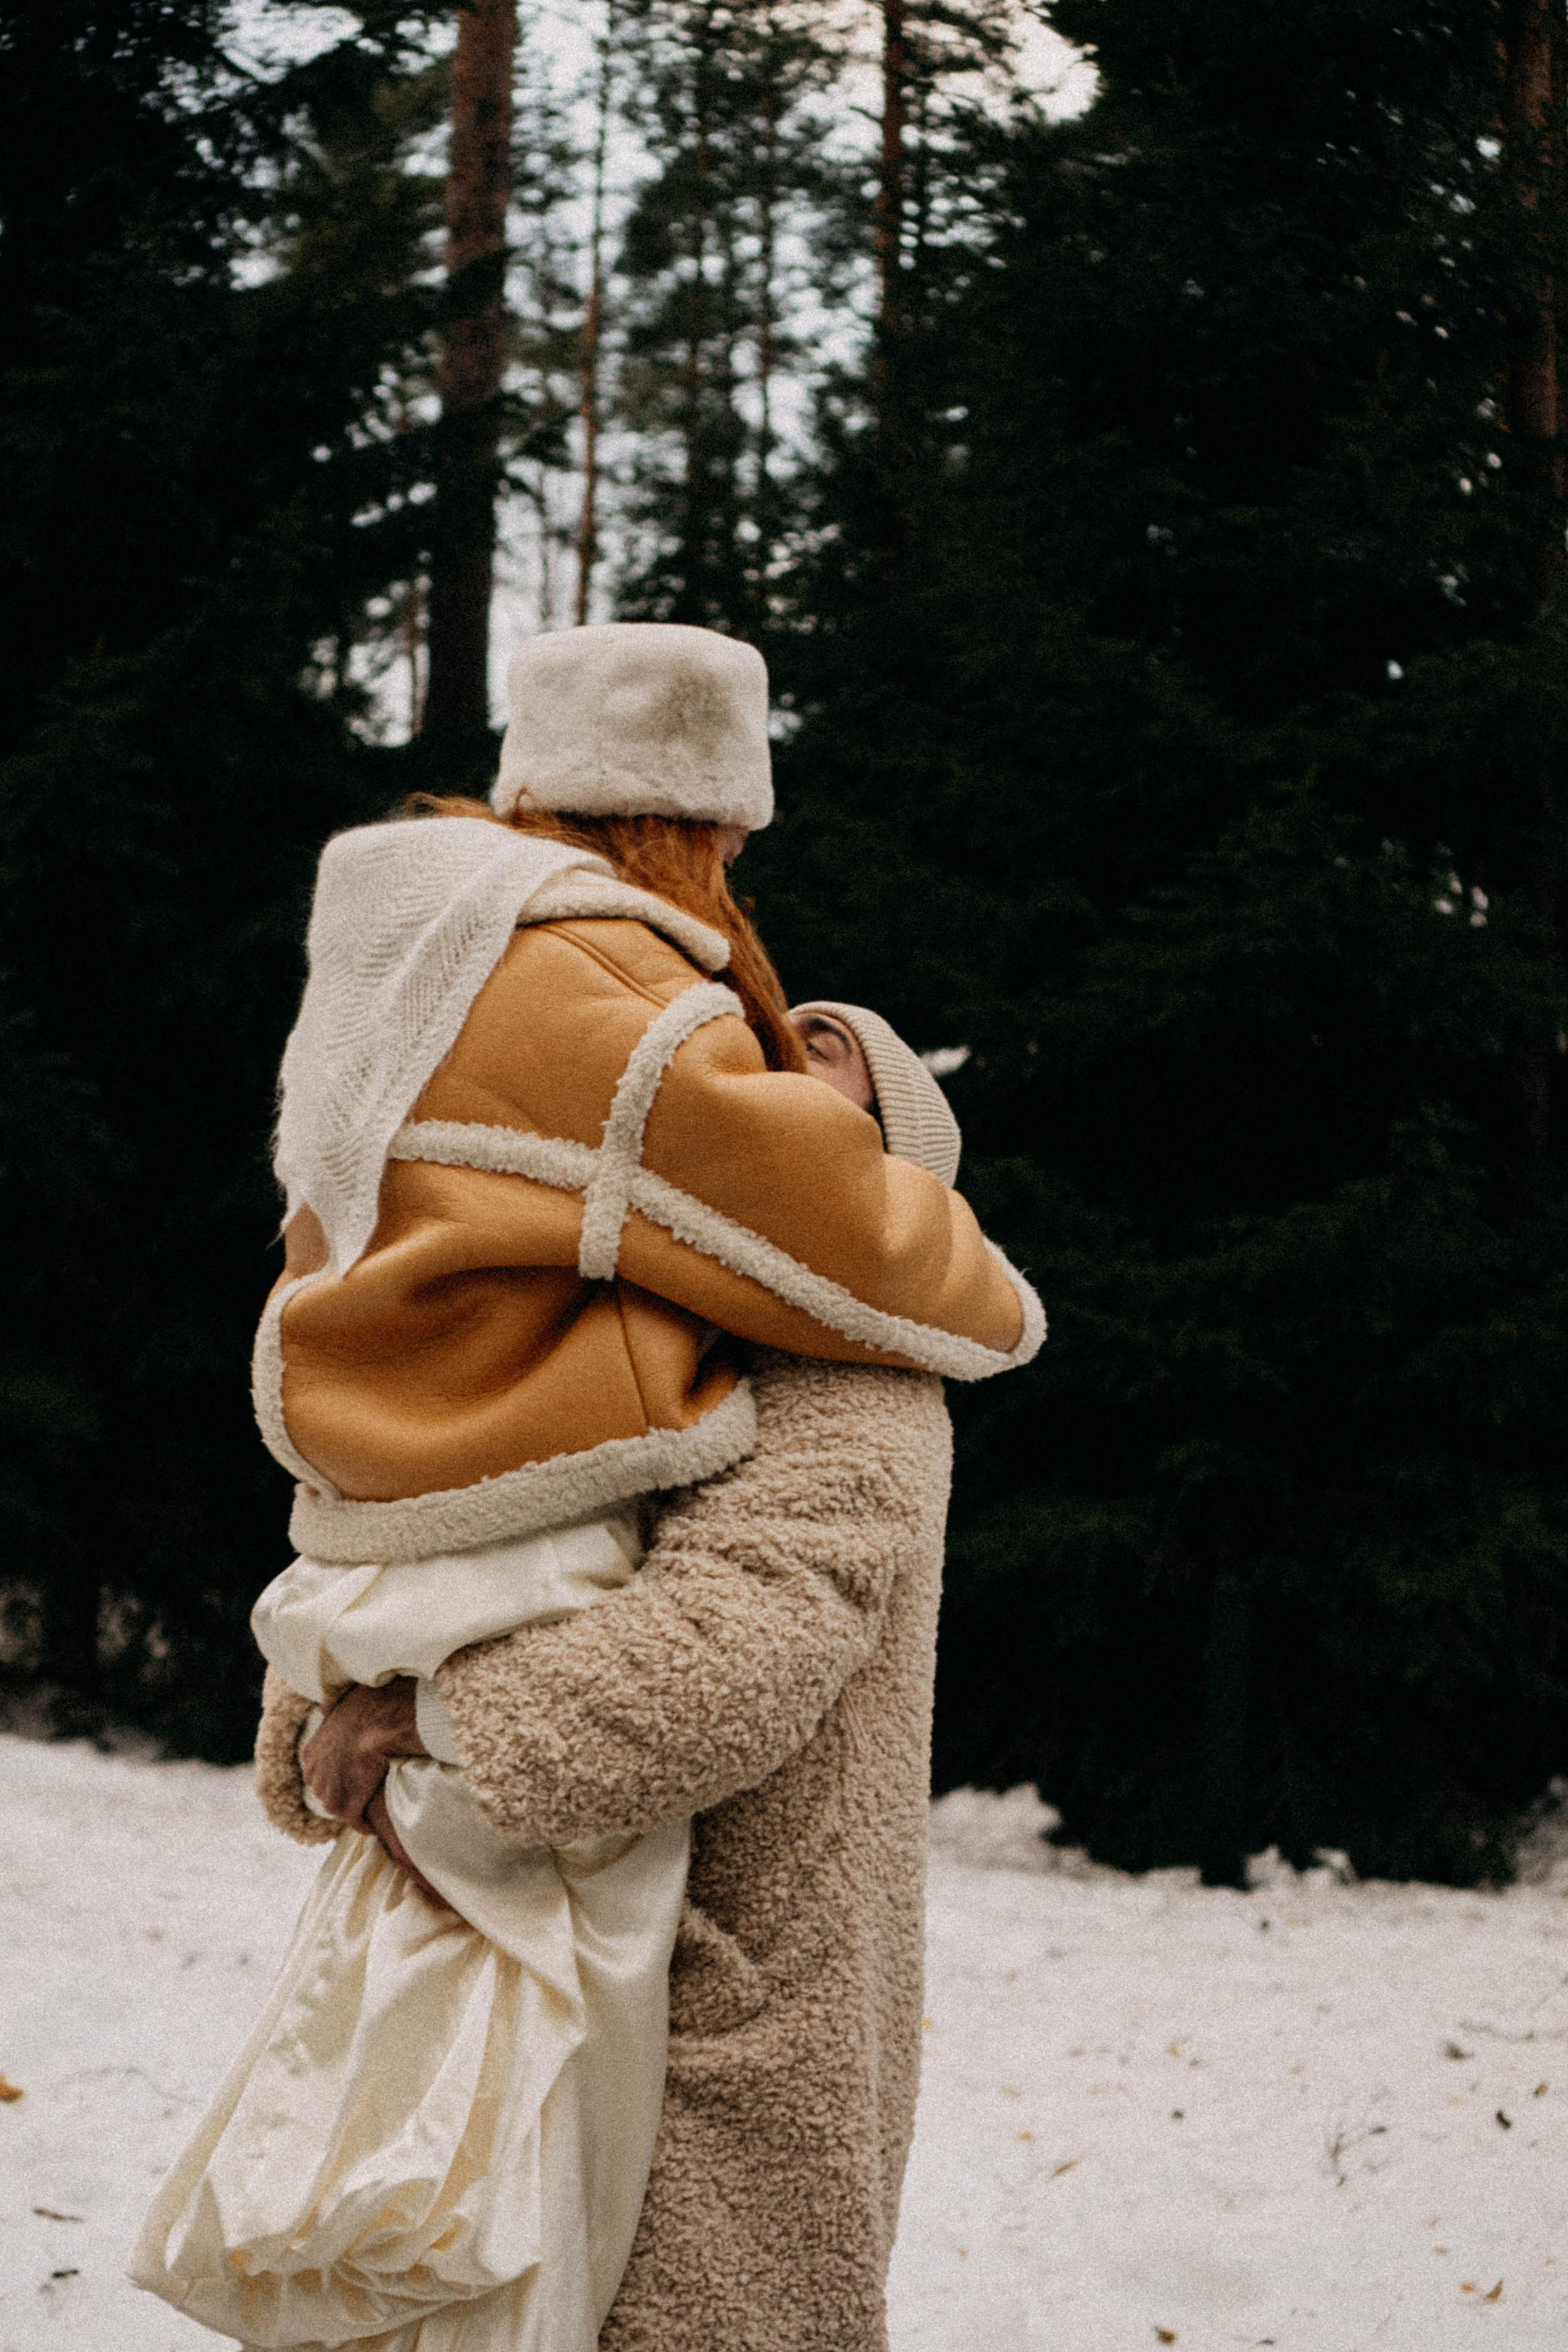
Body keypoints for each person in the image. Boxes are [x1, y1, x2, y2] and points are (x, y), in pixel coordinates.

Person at [130, 622, 1042, 2352]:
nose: (776, 1094)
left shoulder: (860, 1379)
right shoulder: (633, 1322)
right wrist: (342, 1690)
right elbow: (490, 1533)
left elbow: (738, 1649)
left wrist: (414, 1719)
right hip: (541, 1996)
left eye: (821, 1107)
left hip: (720, 2041)